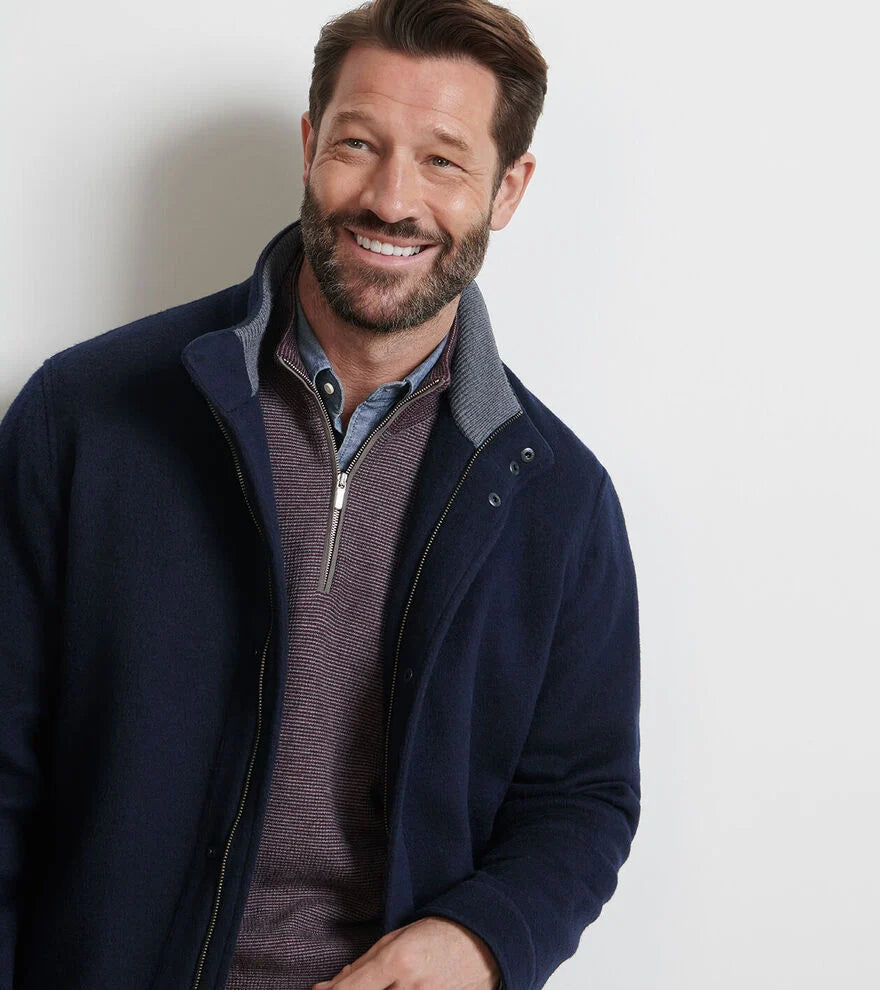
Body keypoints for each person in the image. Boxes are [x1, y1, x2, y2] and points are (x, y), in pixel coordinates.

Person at [0, 1, 640, 988]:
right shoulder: (85, 416)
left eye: (442, 160)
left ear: (507, 189)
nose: (390, 199)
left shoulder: (559, 499)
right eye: (358, 145)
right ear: (310, 146)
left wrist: (478, 939)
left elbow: (581, 797)